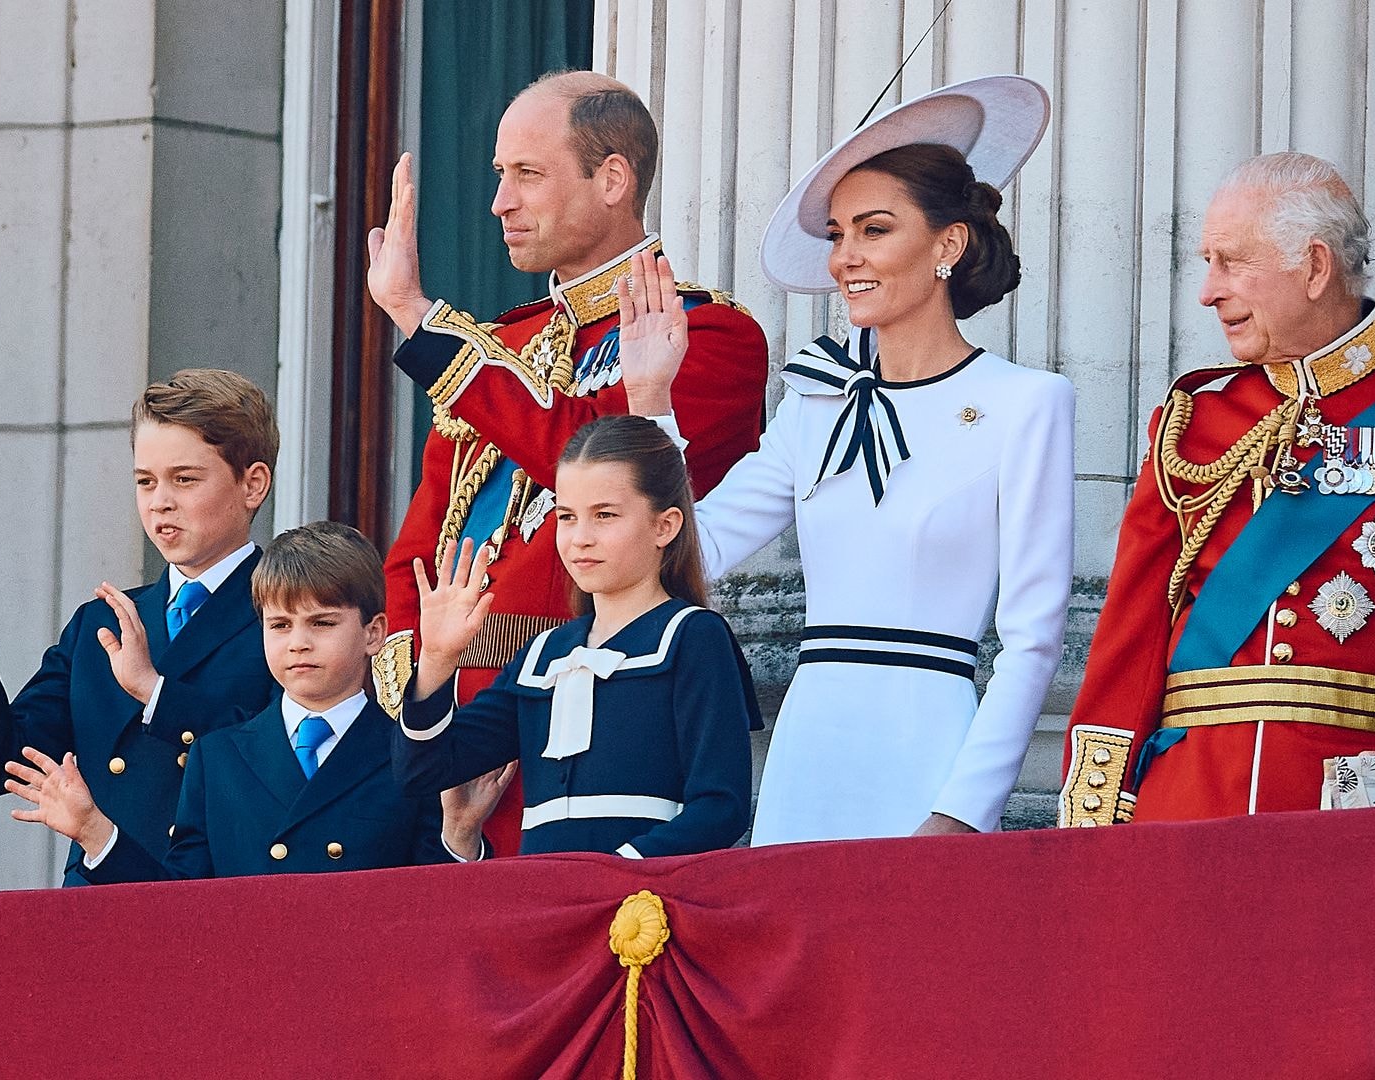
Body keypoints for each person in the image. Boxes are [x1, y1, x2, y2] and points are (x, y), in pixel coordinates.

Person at [625, 76, 1074, 844]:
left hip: (932, 751)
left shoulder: (1027, 403)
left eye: (873, 230)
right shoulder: (816, 400)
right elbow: (698, 547)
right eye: (837, 234)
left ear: (948, 245)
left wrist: (964, 809)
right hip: (810, 752)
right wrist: (651, 399)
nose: (845, 258)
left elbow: (1034, 638)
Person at [364, 69, 768, 854]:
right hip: (458, 732)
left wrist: (418, 317)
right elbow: (421, 550)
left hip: (607, 719)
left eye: (528, 174)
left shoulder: (711, 336)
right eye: (499, 175)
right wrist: (427, 685)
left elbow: (586, 453)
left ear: (613, 177)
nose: (500, 203)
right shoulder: (497, 347)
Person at [1059, 153, 1375, 826]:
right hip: (1190, 806)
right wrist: (1093, 825)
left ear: (1315, 267)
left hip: (1365, 810)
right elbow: (1130, 644)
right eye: (1208, 262)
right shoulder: (1194, 423)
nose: (1207, 290)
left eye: (1231, 263)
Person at [0, 369, 282, 884]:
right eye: (145, 481)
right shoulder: (102, 623)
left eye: (185, 479)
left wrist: (156, 693)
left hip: (216, 907)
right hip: (95, 906)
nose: (159, 501)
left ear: (253, 484)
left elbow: (279, 767)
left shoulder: (286, 619)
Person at [1, 522, 507, 879]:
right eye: (279, 625)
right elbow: (177, 908)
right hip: (243, 1006)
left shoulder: (409, 758)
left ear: (374, 633)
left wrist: (459, 837)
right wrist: (95, 833)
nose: (298, 642)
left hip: (358, 1006)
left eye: (322, 623)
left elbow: (430, 919)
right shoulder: (216, 755)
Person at [395, 416, 757, 858]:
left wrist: (618, 873)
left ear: (665, 526)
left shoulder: (692, 636)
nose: (580, 539)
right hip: (547, 902)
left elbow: (722, 806)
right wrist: (434, 660)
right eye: (567, 517)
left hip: (646, 909)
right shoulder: (543, 655)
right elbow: (424, 771)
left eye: (604, 516)